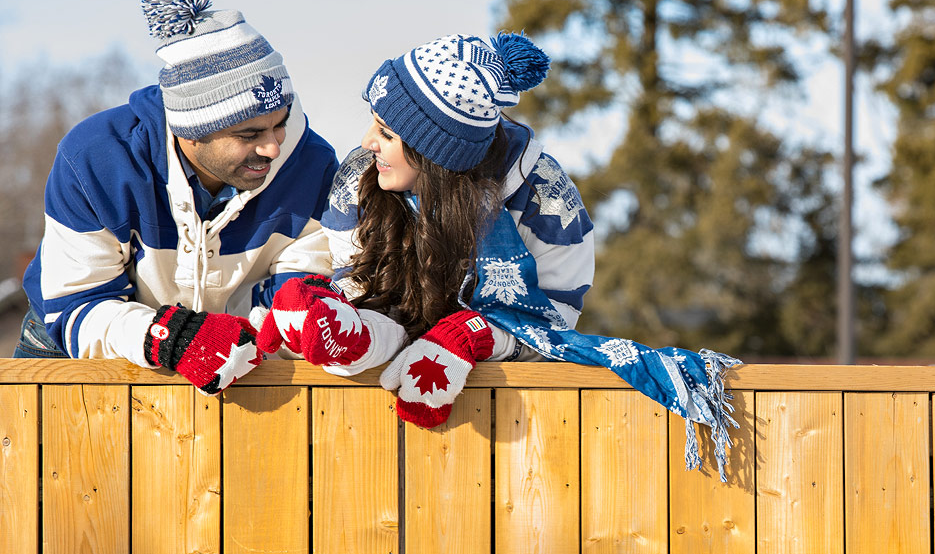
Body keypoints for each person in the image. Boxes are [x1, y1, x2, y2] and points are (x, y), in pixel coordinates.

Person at [257, 32, 739, 480]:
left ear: (433, 150)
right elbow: (354, 286)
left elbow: (556, 324)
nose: (366, 142)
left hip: (510, 427)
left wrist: (475, 334)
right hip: (372, 418)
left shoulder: (545, 200)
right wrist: (339, 315)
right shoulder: (360, 178)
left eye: (385, 131)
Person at [16, 0, 339, 396]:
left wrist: (276, 329)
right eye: (250, 132)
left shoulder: (309, 164)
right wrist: (170, 338)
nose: (273, 146)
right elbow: (79, 304)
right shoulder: (97, 159)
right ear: (193, 130)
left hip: (237, 355)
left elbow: (298, 292)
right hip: (76, 344)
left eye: (281, 122)